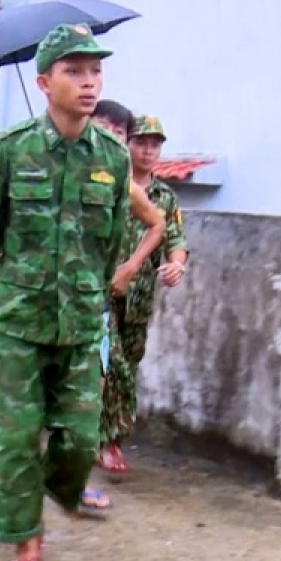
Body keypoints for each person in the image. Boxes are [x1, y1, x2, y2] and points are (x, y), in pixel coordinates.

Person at [0, 24, 131, 561]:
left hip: (81, 323)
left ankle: (55, 493)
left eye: (95, 72)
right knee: (18, 440)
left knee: (79, 439)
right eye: (74, 71)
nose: (89, 83)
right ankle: (26, 549)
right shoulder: (10, 150)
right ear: (44, 82)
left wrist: (94, 303)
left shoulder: (112, 156)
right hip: (15, 319)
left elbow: (110, 244)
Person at [79, 100, 167, 508]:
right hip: (59, 296)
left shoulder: (120, 182)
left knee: (111, 368)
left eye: (118, 131)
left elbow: (160, 224)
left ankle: (101, 446)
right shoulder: (59, 167)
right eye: (103, 128)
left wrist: (131, 266)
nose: (110, 137)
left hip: (114, 297)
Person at [99, 113, 189, 473]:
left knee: (126, 367)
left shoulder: (165, 197)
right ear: (128, 143)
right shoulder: (107, 182)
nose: (148, 150)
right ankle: (109, 441)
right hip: (100, 292)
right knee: (112, 366)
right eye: (142, 142)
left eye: (156, 144)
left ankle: (100, 435)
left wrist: (176, 265)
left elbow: (176, 240)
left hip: (137, 300)